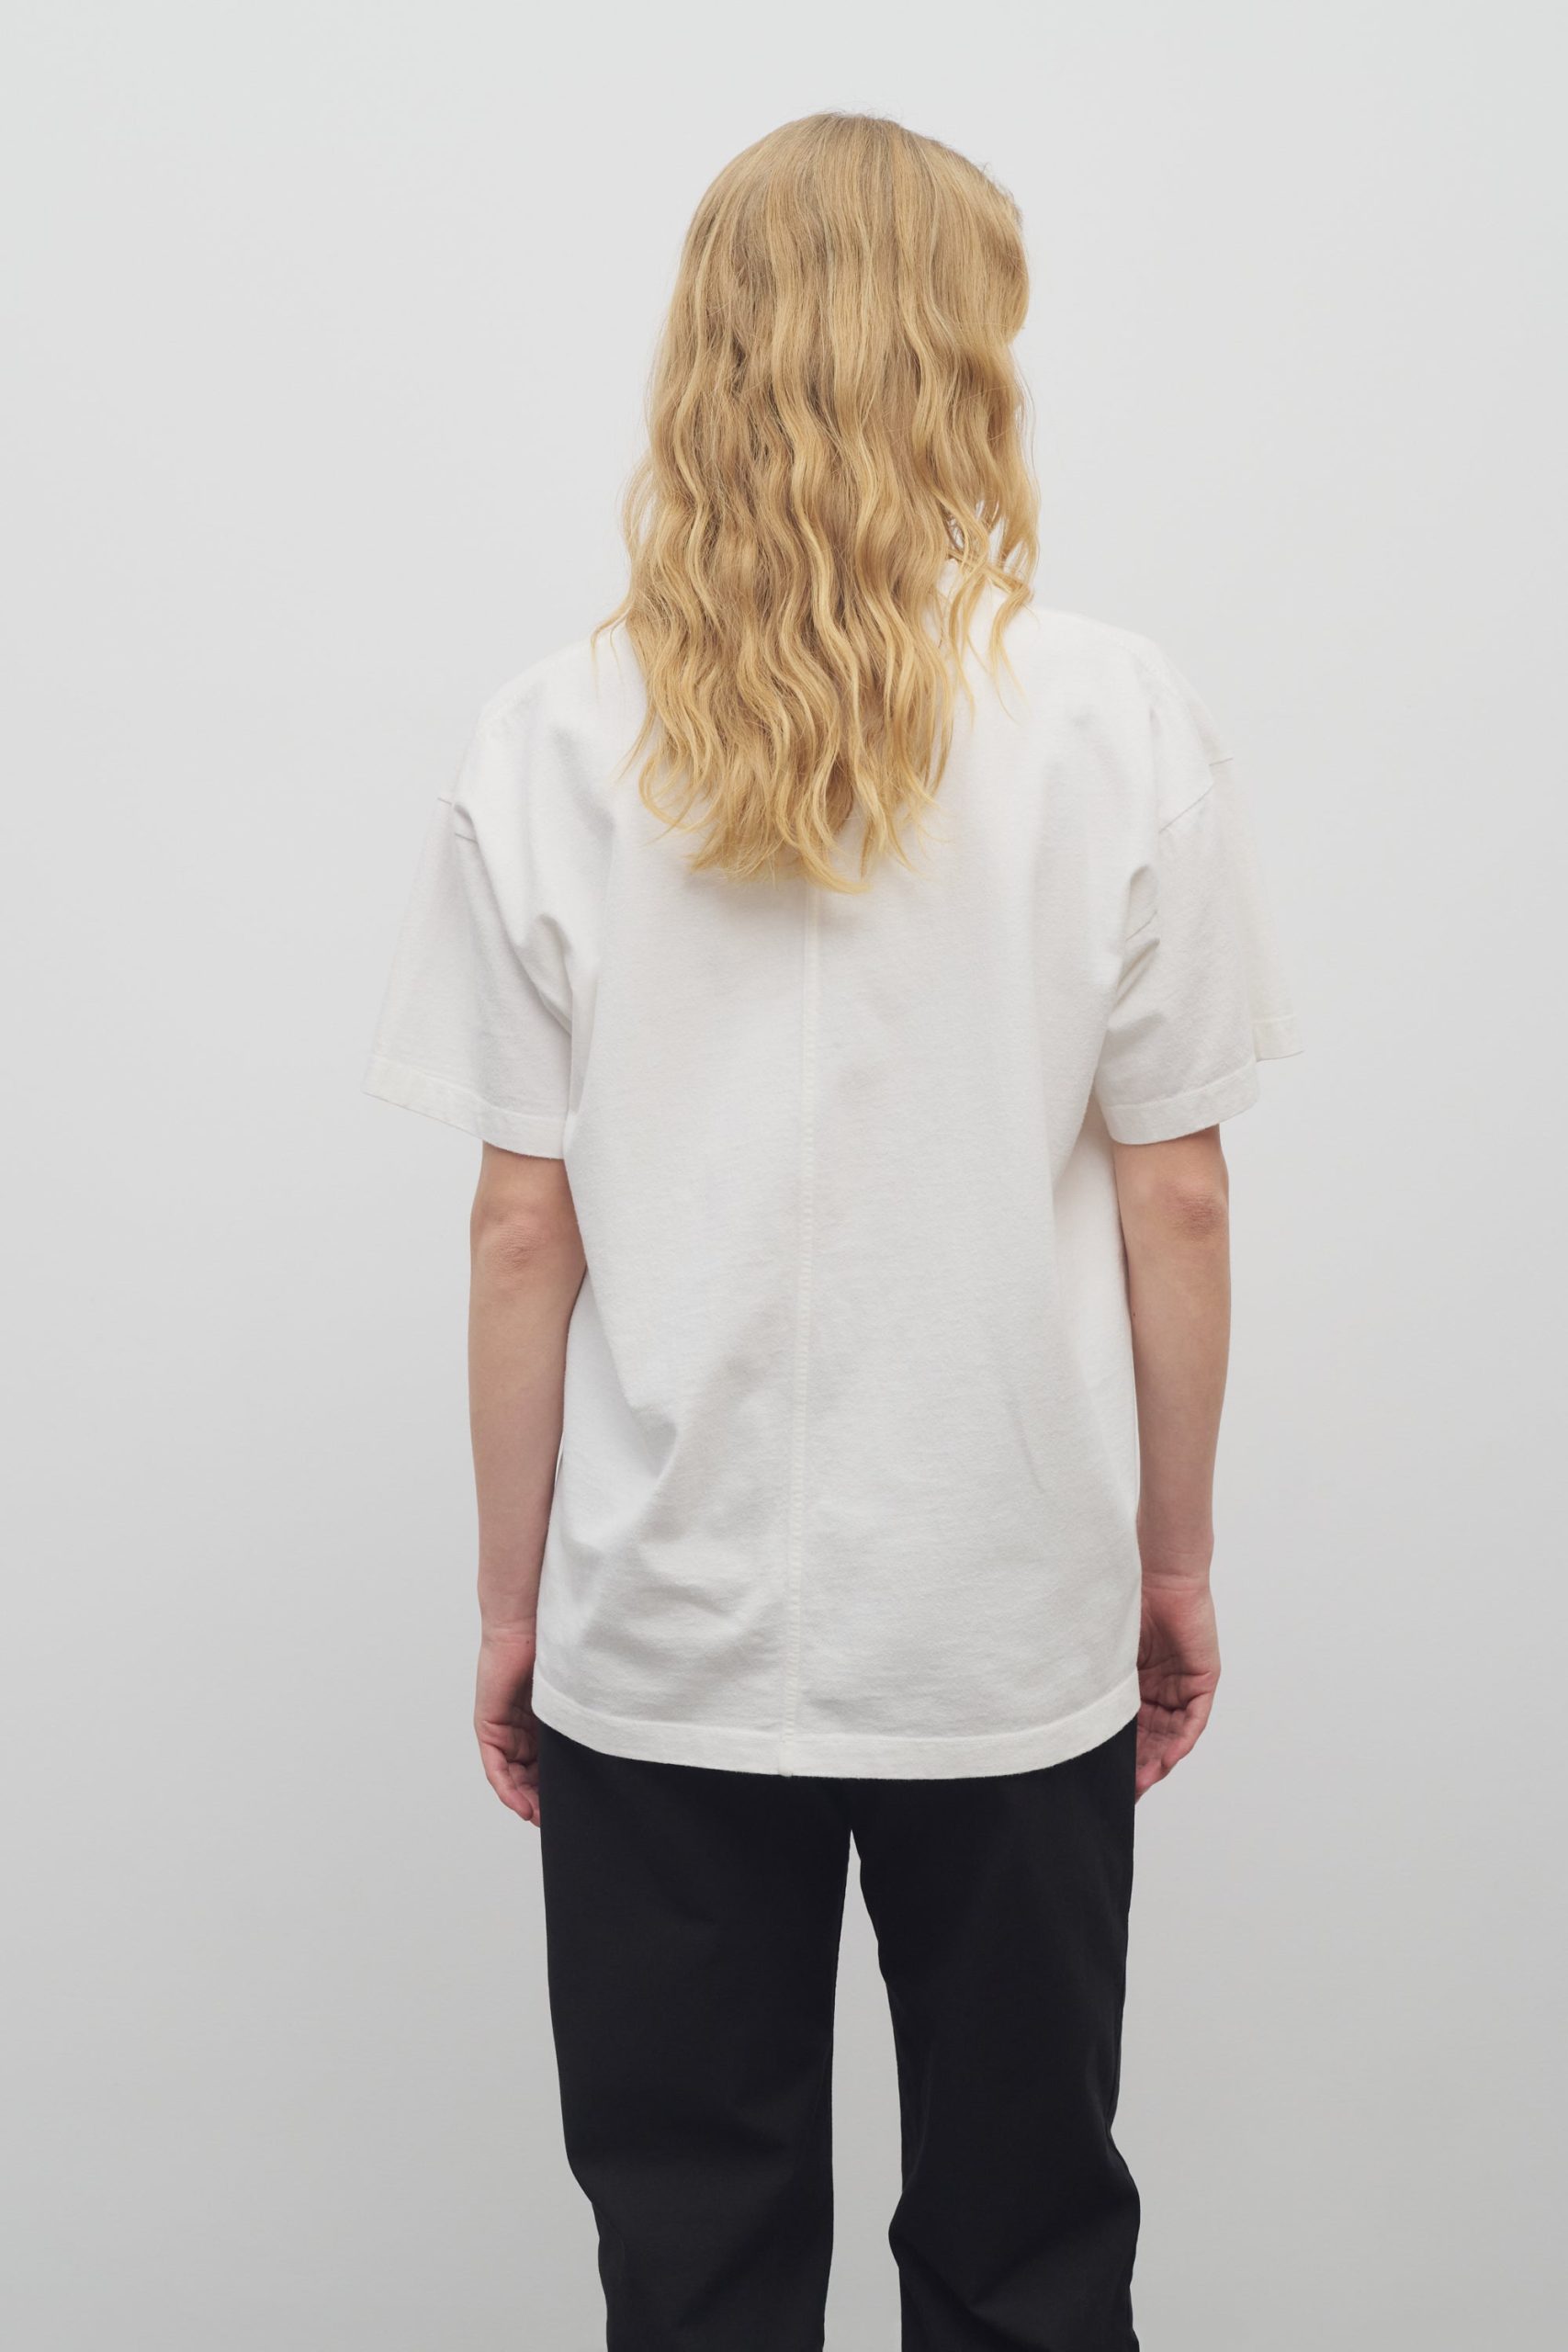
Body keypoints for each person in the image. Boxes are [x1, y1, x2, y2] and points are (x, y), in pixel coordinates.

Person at [367, 110, 1299, 2352]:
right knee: (1023, 2250)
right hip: (1006, 1614)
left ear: (710, 346)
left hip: (658, 1626)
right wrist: (1170, 1560)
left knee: (690, 2266)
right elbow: (1173, 1187)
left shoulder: (552, 736)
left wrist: (511, 1604)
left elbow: (518, 1233)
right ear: (962, 352)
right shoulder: (1110, 717)